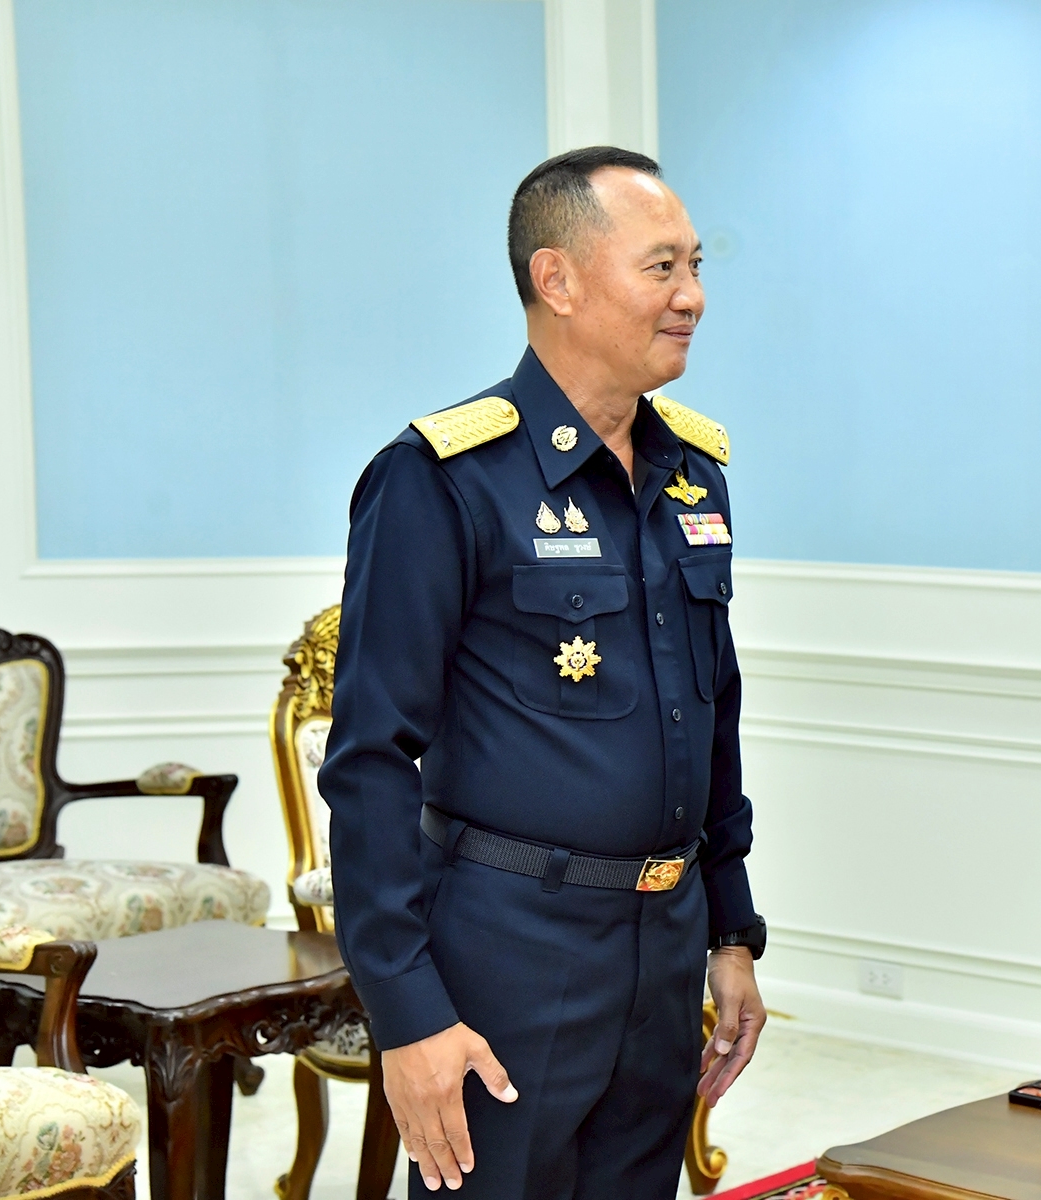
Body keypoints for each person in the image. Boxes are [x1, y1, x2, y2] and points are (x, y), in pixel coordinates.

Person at [319, 146, 767, 1198]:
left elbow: (713, 716)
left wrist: (731, 929)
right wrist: (408, 1014)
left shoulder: (694, 472)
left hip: (663, 948)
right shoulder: (442, 479)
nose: (692, 297)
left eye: (696, 266)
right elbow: (371, 760)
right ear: (556, 279)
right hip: (509, 954)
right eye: (661, 267)